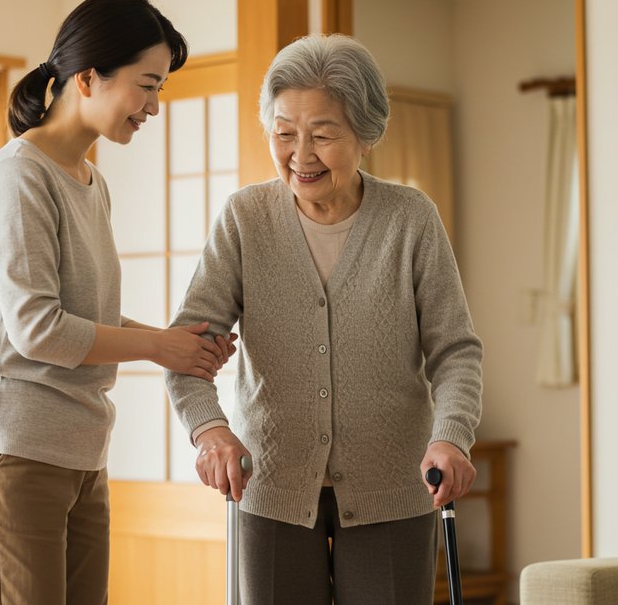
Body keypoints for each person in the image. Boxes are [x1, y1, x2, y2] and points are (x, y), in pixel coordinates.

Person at [166, 34, 483, 604]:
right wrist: (210, 430)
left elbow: (455, 350)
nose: (300, 154)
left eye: (323, 134)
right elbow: (188, 347)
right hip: (272, 488)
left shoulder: (410, 219)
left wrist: (451, 438)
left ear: (365, 135)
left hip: (394, 490)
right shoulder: (245, 219)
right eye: (284, 133)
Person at [0, 0, 235, 605]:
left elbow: (88, 319)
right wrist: (159, 348)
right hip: (12, 451)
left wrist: (175, 343)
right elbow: (39, 330)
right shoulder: (20, 177)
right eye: (147, 85)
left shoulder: (89, 181)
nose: (155, 106)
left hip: (81, 453)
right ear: (86, 77)